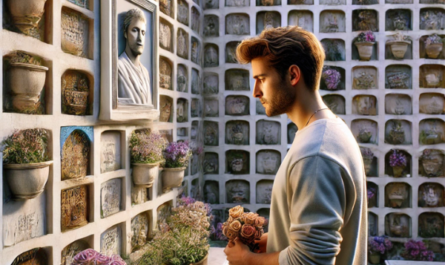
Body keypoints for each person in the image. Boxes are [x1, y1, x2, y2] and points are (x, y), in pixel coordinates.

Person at [224, 26, 367, 265]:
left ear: (292, 75)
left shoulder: (315, 154)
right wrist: (273, 240)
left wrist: (247, 259)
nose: (255, 92)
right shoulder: (330, 130)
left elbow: (310, 261)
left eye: (261, 79)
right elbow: (316, 239)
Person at [118, 8, 152, 106]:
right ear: (125, 33)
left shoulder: (145, 72)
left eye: (143, 32)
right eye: (135, 30)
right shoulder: (118, 67)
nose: (140, 38)